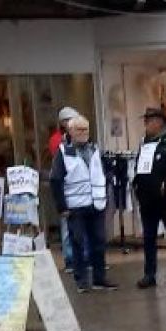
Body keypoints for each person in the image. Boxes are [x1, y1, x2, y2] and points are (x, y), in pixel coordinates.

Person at [50, 116, 118, 293]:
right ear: (70, 132)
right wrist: (62, 207)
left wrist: (107, 183)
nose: (83, 133)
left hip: (96, 203)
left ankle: (99, 278)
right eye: (79, 129)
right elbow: (55, 180)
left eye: (85, 129)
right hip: (75, 206)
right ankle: (81, 281)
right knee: (78, 243)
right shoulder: (63, 152)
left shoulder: (95, 149)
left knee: (99, 242)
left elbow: (103, 171)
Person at [133, 108, 166, 289]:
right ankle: (149, 274)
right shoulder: (145, 144)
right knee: (149, 238)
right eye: (145, 120)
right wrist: (136, 184)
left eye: (149, 120)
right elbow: (139, 169)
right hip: (147, 200)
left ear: (159, 122)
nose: (146, 124)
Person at [49, 107, 80, 272]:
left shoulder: (78, 138)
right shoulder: (58, 140)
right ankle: (69, 259)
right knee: (67, 227)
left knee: (78, 227)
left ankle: (81, 258)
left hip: (77, 189)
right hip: (66, 187)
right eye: (69, 120)